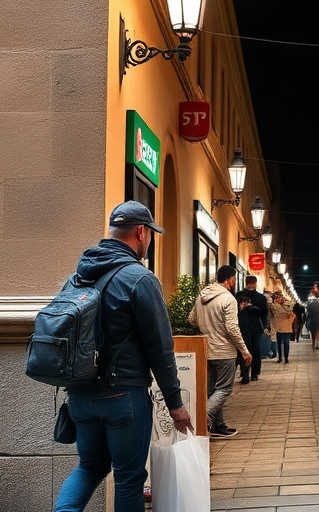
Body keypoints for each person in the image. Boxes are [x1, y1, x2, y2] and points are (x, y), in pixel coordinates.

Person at [54, 201, 192, 512]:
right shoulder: (139, 279)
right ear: (142, 233)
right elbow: (160, 348)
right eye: (151, 234)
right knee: (129, 477)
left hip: (80, 395)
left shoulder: (78, 276)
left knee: (89, 467)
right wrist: (175, 404)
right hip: (123, 395)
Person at [188, 265, 252, 438]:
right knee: (224, 389)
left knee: (212, 390)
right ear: (230, 279)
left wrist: (207, 324)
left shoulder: (202, 296)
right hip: (224, 351)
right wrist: (245, 351)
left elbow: (192, 319)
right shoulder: (228, 299)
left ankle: (218, 425)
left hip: (206, 350)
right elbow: (232, 328)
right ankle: (203, 419)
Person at [238, 275, 267, 382]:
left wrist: (253, 308)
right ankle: (245, 373)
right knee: (245, 349)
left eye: (252, 283)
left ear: (255, 284)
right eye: (249, 283)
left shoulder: (261, 297)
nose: (250, 285)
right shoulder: (240, 295)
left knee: (255, 349)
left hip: (255, 326)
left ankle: (255, 372)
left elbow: (264, 313)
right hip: (244, 325)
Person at [269, 291, 295, 363]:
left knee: (283, 342)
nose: (278, 299)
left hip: (284, 326)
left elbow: (279, 312)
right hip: (280, 326)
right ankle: (282, 357)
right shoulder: (275, 305)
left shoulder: (284, 304)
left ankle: (284, 357)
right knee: (281, 342)